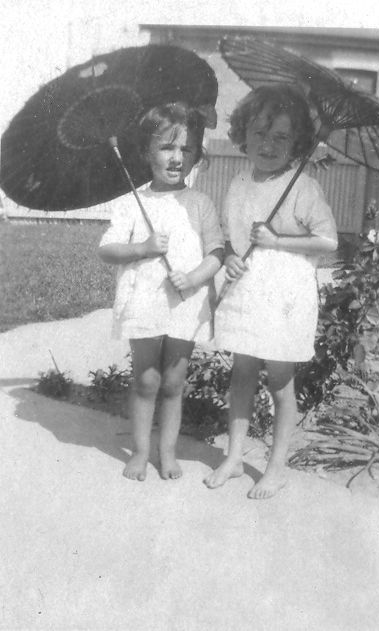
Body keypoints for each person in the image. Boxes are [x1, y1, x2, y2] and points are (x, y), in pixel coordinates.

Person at [204, 85, 338, 499]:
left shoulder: (303, 187)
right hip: (247, 291)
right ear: (242, 135)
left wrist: (277, 240)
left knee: (280, 381)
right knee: (242, 374)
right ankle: (233, 456)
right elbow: (232, 236)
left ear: (297, 144)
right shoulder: (240, 182)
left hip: (283, 297)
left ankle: (276, 468)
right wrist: (230, 257)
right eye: (260, 133)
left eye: (281, 137)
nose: (268, 144)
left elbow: (328, 241)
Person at [99, 102, 224, 482]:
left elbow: (217, 251)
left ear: (196, 155)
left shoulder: (200, 203)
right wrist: (142, 248)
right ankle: (140, 451)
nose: (176, 158)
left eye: (186, 149)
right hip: (144, 302)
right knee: (146, 380)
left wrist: (195, 277)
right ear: (146, 152)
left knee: (172, 382)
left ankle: (167, 452)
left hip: (184, 303)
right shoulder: (131, 203)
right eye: (167, 147)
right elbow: (107, 250)